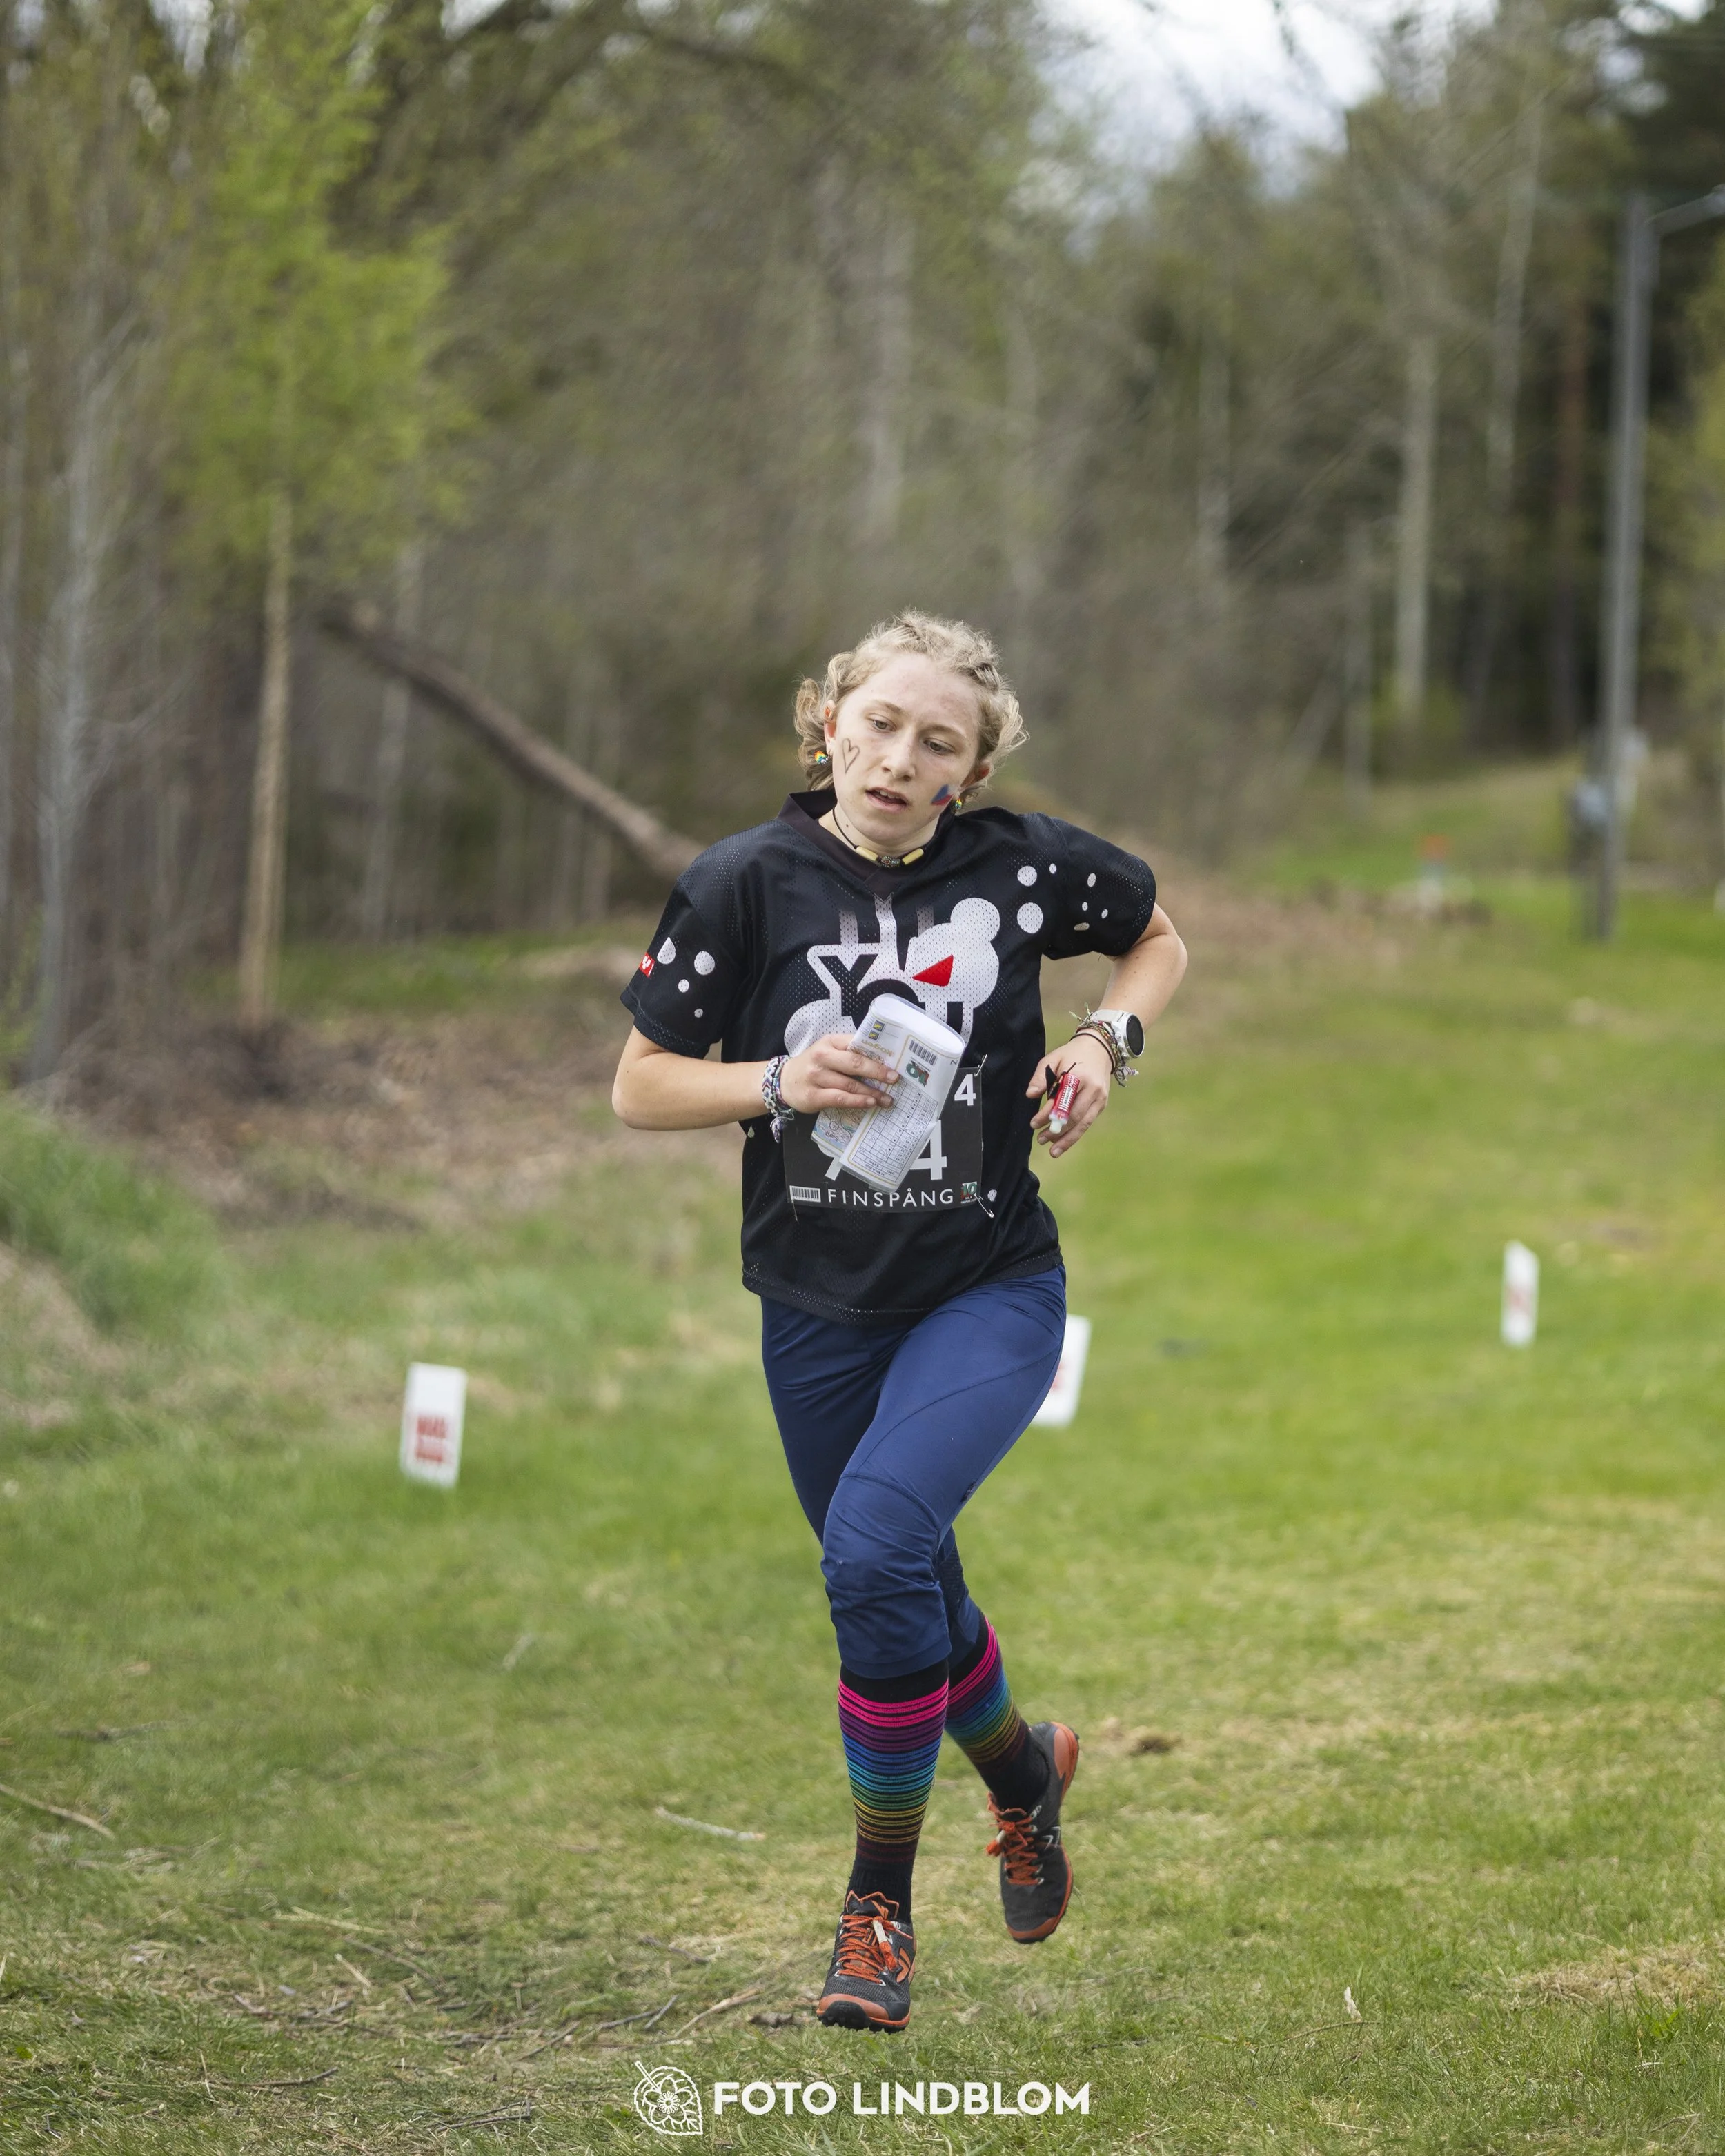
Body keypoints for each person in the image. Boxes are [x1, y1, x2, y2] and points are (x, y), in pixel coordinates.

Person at [612, 612, 1186, 2032]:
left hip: (985, 1285)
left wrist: (1102, 1042)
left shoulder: (1029, 867)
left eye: (936, 741)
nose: (896, 755)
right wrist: (775, 1081)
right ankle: (1020, 1773)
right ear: (827, 724)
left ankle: (876, 1910)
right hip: (813, 1306)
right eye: (876, 723)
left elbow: (1155, 940)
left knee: (870, 1549)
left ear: (967, 771)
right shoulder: (740, 882)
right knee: (898, 1579)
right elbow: (639, 1084)